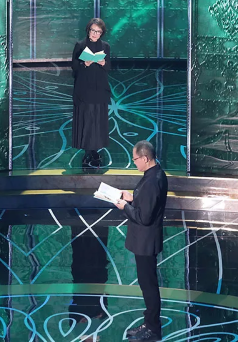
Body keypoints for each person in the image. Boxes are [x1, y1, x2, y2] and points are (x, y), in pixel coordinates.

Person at [114, 141, 168, 341]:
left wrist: (125, 207)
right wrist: (132, 198)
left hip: (146, 242)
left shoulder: (153, 181)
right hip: (145, 240)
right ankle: (150, 323)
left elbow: (144, 217)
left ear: (145, 158)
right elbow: (146, 204)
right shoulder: (154, 174)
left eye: (135, 159)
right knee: (147, 284)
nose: (134, 162)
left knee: (149, 285)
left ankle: (153, 329)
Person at [71, 18, 111, 168]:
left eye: (98, 32)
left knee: (97, 120)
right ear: (88, 30)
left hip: (100, 88)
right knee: (86, 119)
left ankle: (95, 150)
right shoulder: (80, 45)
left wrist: (104, 63)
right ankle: (87, 150)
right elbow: (74, 66)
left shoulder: (105, 46)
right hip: (84, 88)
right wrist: (84, 64)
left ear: (102, 33)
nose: (95, 34)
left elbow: (109, 67)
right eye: (93, 30)